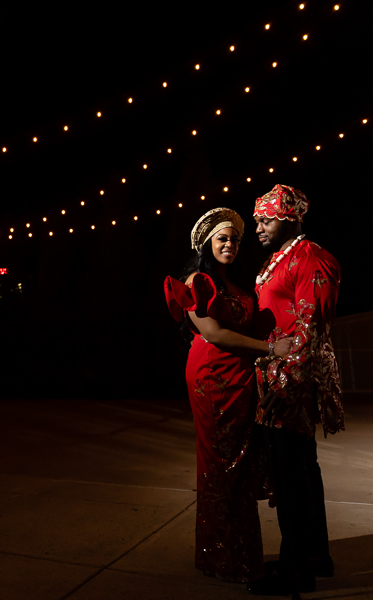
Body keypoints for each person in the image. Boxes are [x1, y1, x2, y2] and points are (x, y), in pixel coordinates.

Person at [163, 207, 291, 583]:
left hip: (239, 375)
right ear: (207, 243)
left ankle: (240, 556)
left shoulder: (232, 283)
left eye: (235, 239)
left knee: (241, 462)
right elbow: (215, 334)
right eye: (222, 238)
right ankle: (225, 558)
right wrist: (269, 349)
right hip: (212, 376)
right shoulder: (195, 280)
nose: (230, 245)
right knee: (223, 464)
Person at [246, 185, 344, 597]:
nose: (258, 228)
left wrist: (284, 383)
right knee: (301, 470)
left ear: (291, 218)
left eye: (266, 220)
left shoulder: (311, 258)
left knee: (292, 476)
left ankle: (295, 569)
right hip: (276, 378)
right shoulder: (278, 259)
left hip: (292, 385)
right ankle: (314, 556)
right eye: (256, 221)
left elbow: (310, 325)